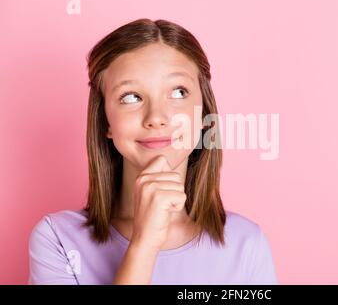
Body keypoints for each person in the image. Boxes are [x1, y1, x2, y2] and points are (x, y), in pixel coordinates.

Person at [28, 18, 277, 285]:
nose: (156, 117)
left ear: (203, 112)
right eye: (131, 97)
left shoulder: (247, 245)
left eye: (179, 92)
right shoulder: (58, 241)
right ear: (106, 121)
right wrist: (144, 244)